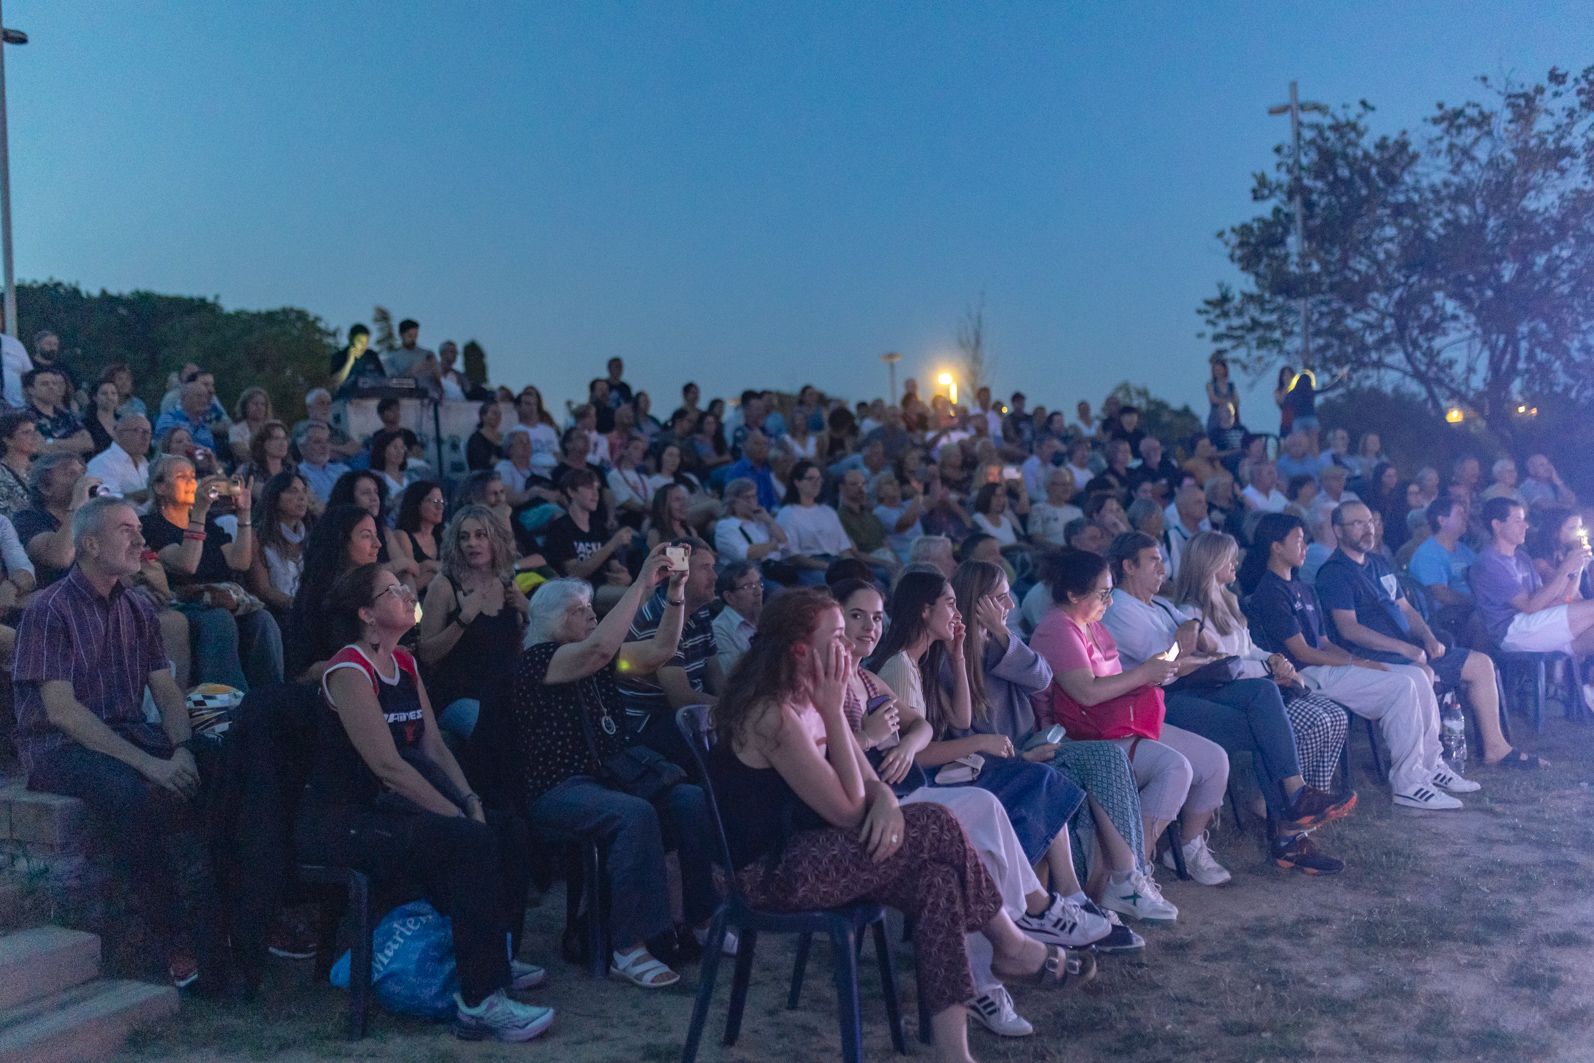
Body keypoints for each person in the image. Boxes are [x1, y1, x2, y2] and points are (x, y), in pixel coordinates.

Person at [713, 589, 1095, 1062]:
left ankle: (955, 1053)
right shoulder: (775, 713)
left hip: (822, 849)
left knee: (937, 882)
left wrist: (888, 804)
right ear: (799, 649)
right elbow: (850, 811)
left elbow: (872, 787)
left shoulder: (807, 697)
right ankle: (1011, 942)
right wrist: (836, 716)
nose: (847, 644)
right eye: (836, 636)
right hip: (774, 875)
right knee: (936, 819)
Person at [832, 579, 1115, 1038]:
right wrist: (879, 743)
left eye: (876, 617)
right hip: (887, 802)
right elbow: (852, 756)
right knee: (986, 807)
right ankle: (1033, 915)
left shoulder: (867, 678)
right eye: (856, 616)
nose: (868, 627)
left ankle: (995, 969)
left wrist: (961, 654)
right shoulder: (878, 672)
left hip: (903, 790)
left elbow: (930, 725)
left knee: (980, 834)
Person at [293, 563, 548, 1040]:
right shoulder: (349, 668)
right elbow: (387, 767)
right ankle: (480, 1001)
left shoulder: (405, 662)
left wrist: (468, 799)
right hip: (347, 816)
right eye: (393, 589)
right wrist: (454, 815)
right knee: (467, 842)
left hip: (393, 806)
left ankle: (498, 954)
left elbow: (432, 746)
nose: (407, 592)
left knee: (505, 827)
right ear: (367, 614)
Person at [14, 496, 224, 990]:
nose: (140, 538)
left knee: (222, 766)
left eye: (138, 528)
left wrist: (183, 750)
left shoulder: (136, 606)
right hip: (58, 748)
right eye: (126, 530)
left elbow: (167, 689)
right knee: (130, 793)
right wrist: (151, 766)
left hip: (126, 731)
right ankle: (173, 943)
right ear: (89, 544)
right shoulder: (49, 610)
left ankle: (233, 922)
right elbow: (62, 713)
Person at [514, 557, 719, 989]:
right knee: (634, 814)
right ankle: (628, 947)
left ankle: (698, 918)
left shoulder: (601, 660)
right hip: (557, 788)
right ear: (551, 620)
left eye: (592, 608)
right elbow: (599, 650)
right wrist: (643, 581)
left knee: (689, 799)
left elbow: (660, 650)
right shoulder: (539, 660)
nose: (591, 615)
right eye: (579, 610)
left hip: (610, 778)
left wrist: (675, 594)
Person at [1101, 531, 1351, 879]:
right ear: (1128, 567)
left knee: (1265, 698)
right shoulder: (1120, 612)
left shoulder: (1158, 605)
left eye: (1162, 559)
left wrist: (1192, 630)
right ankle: (1288, 832)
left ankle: (1294, 809)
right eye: (1153, 561)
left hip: (1192, 688)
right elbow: (1165, 665)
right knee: (1268, 727)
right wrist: (1190, 647)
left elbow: (1198, 638)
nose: (1162, 568)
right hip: (1160, 702)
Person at [1239, 513, 1468, 806]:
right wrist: (1355, 663)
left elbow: (1323, 641)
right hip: (1305, 674)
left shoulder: (1303, 588)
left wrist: (1355, 660)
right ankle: (1407, 783)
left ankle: (1430, 765)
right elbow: (1302, 653)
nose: (1305, 546)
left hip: (1325, 667)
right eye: (1297, 540)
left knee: (1417, 675)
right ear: (1276, 547)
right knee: (1402, 687)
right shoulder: (1270, 592)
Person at [1171, 532, 1355, 872]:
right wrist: (1268, 670)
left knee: (1330, 714)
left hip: (1252, 690)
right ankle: (1291, 824)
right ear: (1210, 563)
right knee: (1278, 716)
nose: (1235, 564)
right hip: (1216, 696)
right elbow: (1223, 666)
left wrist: (1274, 658)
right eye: (1228, 558)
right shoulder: (1190, 612)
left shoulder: (1229, 600)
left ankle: (1300, 815)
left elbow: (1248, 649)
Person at [1317, 501, 1517, 771]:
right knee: (1423, 673)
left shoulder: (1378, 563)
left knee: (1481, 664)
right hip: (1375, 657)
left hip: (1411, 650)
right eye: (1358, 524)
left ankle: (1496, 748)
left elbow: (1405, 608)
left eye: (1370, 522)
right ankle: (1426, 763)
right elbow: (1348, 629)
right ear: (1339, 531)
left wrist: (1428, 636)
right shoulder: (1334, 573)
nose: (1368, 529)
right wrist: (1403, 648)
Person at [142, 455, 284, 691]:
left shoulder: (209, 524)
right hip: (181, 603)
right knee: (219, 619)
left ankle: (270, 695)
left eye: (192, 477)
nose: (191, 483)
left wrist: (244, 514)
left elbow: (240, 562)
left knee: (263, 620)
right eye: (181, 477)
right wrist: (198, 512)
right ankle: (224, 703)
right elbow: (186, 564)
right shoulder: (151, 524)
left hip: (221, 599)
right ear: (160, 487)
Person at [417, 504, 527, 744]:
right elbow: (425, 655)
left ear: (495, 539)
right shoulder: (444, 585)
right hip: (459, 696)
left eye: (480, 535)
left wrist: (528, 611)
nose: (472, 543)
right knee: (496, 731)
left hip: (505, 691)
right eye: (464, 537)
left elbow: (518, 646)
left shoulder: (507, 582)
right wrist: (463, 619)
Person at [1471, 497, 1594, 705]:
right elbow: (1529, 606)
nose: (1525, 525)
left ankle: (1587, 692)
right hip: (1512, 630)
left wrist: (1577, 567)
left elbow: (1561, 597)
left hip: (1537, 623)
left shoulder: (1522, 558)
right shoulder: (1489, 562)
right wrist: (1564, 569)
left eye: (1524, 520)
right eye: (1518, 520)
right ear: (1497, 525)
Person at [617, 537, 721, 767]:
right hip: (649, 727)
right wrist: (735, 709)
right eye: (705, 568)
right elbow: (682, 701)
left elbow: (715, 677)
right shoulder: (659, 619)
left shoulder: (701, 612)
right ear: (680, 572)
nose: (714, 576)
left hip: (688, 716)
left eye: (713, 568)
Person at [284, 505, 384, 680]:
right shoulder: (314, 601)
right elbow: (302, 673)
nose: (377, 544)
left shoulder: (381, 590)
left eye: (375, 535)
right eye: (367, 536)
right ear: (341, 542)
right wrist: (357, 663)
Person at [542, 469, 634, 613]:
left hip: (603, 588)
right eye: (589, 488)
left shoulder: (599, 527)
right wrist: (612, 544)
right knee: (637, 598)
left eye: (597, 488)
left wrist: (623, 576)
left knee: (641, 594)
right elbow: (574, 573)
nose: (596, 494)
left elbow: (614, 565)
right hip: (576, 593)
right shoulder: (559, 528)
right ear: (572, 492)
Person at [776, 460, 863, 584]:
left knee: (869, 583)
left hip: (836, 561)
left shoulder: (828, 511)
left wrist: (853, 568)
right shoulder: (788, 513)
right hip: (809, 567)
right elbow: (792, 556)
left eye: (819, 479)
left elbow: (844, 548)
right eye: (811, 479)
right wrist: (826, 566)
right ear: (797, 482)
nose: (817, 483)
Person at [1408, 497, 1480, 635]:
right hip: (1443, 616)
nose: (1465, 517)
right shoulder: (1428, 554)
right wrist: (1476, 602)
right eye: (1459, 513)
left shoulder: (1464, 550)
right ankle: (1480, 656)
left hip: (1468, 608)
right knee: (1483, 619)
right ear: (1442, 521)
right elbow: (1440, 594)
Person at [249, 471, 312, 617]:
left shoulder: (312, 539)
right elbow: (263, 590)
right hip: (278, 615)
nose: (302, 497)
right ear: (274, 497)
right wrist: (298, 605)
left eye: (304, 491)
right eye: (292, 491)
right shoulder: (257, 537)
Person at [713, 476, 791, 575]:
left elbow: (785, 542)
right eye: (746, 497)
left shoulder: (762, 519)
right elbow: (746, 554)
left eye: (754, 496)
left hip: (777, 568)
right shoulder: (725, 526)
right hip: (748, 575)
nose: (752, 501)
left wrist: (769, 520)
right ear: (733, 501)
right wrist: (772, 545)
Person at [390, 480, 446, 591]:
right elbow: (410, 585)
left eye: (442, 501)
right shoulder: (402, 536)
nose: (440, 507)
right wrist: (437, 568)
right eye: (434, 501)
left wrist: (427, 565)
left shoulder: (442, 536)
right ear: (417, 504)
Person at [86, 412, 152, 503]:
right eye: (138, 431)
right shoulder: (102, 463)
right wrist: (151, 493)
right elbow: (106, 501)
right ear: (119, 434)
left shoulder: (145, 463)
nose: (146, 437)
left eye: (148, 432)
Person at [711, 559, 762, 675]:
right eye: (749, 587)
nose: (758, 592)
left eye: (759, 584)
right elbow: (735, 676)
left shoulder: (768, 618)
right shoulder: (720, 630)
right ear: (729, 597)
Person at [507, 386, 560, 476]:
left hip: (554, 471)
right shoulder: (516, 431)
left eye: (534, 404)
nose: (531, 408)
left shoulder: (549, 430)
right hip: (532, 473)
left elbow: (557, 454)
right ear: (518, 407)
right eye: (527, 404)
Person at [154, 380, 218, 454]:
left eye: (205, 397)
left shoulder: (204, 428)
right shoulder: (169, 418)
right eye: (199, 396)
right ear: (184, 398)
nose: (203, 400)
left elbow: (210, 454)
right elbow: (166, 449)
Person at [296, 422, 351, 508]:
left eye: (327, 441)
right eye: (317, 442)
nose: (324, 446)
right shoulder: (299, 475)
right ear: (302, 448)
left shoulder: (343, 470)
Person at [0, 410, 41, 517]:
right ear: (7, 440)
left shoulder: (41, 469)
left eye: (34, 431)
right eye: (26, 433)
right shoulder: (2, 474)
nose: (35, 437)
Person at [228, 387, 274, 464]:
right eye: (255, 404)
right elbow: (243, 455)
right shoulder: (235, 430)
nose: (259, 407)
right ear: (245, 406)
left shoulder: (273, 428)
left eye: (263, 404)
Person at [84, 377, 121, 458]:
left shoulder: (124, 422)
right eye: (104, 394)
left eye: (113, 393)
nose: (110, 397)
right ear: (95, 397)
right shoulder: (86, 424)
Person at [467, 399, 505, 472]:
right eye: (494, 413)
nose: (498, 416)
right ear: (483, 416)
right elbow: (485, 461)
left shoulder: (503, 437)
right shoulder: (476, 439)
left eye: (499, 414)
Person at [1205, 356, 1239, 433]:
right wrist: (1229, 401)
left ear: (1225, 370)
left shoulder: (1231, 386)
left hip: (1231, 418)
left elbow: (1237, 401)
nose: (1218, 372)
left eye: (1219, 369)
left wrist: (1223, 401)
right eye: (1215, 370)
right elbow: (1213, 400)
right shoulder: (1210, 385)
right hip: (1215, 419)